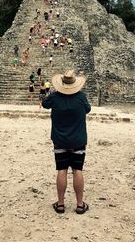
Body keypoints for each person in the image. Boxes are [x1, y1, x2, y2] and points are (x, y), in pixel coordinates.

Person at [42, 69, 91, 215]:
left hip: (60, 140)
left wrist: (51, 93)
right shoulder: (82, 97)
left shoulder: (55, 97)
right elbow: (88, 109)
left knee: (61, 170)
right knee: (78, 170)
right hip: (78, 140)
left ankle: (61, 204)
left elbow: (45, 104)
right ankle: (80, 205)